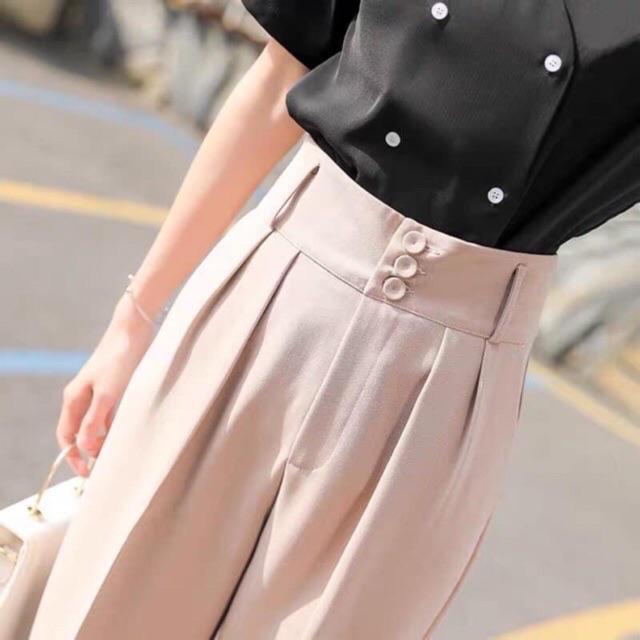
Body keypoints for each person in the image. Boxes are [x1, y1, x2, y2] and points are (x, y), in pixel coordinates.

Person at [29, 2, 640, 638]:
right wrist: (134, 319)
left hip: (452, 381)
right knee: (119, 604)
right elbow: (278, 76)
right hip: (277, 300)